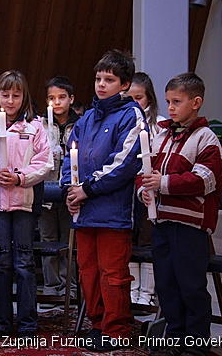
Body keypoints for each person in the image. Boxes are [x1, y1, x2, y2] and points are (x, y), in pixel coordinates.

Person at [60, 49, 143, 352]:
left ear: (124, 84)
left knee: (112, 273)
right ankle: (98, 325)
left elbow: (124, 162)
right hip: (84, 209)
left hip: (112, 212)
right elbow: (70, 156)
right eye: (98, 79)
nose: (101, 85)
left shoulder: (131, 115)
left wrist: (87, 189)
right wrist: (70, 190)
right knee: (88, 271)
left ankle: (116, 329)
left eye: (109, 80)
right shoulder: (87, 118)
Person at [139, 73, 222, 356]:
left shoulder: (206, 138)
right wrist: (144, 190)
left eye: (177, 102)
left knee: (190, 286)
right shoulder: (162, 135)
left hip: (190, 226)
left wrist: (162, 183)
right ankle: (174, 338)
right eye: (168, 101)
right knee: (166, 284)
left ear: (196, 102)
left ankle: (196, 343)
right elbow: (145, 171)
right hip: (163, 222)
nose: (171, 107)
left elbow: (203, 180)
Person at [0, 70, 51, 338]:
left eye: (16, 95)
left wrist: (20, 177)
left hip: (23, 202)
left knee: (24, 263)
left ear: (24, 97)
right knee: (1, 262)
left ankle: (28, 325)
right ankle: (1, 324)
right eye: (5, 95)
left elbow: (44, 162)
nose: (11, 101)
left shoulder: (34, 127)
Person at [38, 76, 80, 299]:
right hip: (46, 186)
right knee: (47, 237)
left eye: (62, 97)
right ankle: (50, 285)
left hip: (70, 187)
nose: (57, 102)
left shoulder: (80, 124)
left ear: (71, 99)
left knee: (68, 237)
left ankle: (69, 285)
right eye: (51, 98)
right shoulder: (40, 124)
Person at [126, 71, 165, 306]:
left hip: (150, 187)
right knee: (129, 237)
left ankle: (147, 293)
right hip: (126, 186)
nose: (134, 103)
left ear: (149, 97)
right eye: (129, 98)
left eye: (138, 98)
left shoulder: (159, 125)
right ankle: (133, 290)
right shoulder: (122, 122)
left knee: (147, 237)